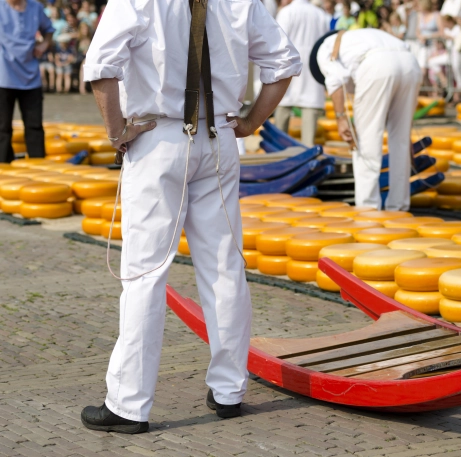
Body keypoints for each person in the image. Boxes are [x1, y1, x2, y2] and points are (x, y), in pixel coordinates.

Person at [80, 0, 301, 433]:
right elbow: (284, 63)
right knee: (223, 265)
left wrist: (115, 132)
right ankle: (229, 390)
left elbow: (100, 65)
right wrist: (253, 121)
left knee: (145, 273)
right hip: (218, 137)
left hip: (158, 135)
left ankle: (128, 404)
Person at [310, 29, 421, 210]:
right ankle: (399, 207)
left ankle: (368, 209)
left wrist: (341, 118)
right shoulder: (362, 37)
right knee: (400, 141)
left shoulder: (325, 48)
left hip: (377, 65)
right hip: (410, 63)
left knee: (366, 143)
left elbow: (335, 80)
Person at [0, 0, 54, 163]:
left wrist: (43, 45)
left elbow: (49, 30)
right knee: (2, 128)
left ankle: (39, 166)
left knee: (34, 126)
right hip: (4, 75)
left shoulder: (35, 7)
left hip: (30, 76)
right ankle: (2, 167)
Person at [275, 0, 329, 146]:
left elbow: (278, 40)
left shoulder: (286, 12)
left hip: (289, 64)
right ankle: (308, 154)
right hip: (312, 65)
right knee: (310, 108)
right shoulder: (320, 14)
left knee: (283, 106)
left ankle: (278, 151)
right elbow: (326, 42)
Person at [415, 0, 442, 78]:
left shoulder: (436, 15)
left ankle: (437, 87)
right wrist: (420, 37)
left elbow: (441, 32)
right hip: (421, 46)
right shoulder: (420, 15)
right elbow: (417, 31)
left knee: (431, 71)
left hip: (433, 46)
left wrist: (428, 36)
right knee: (422, 69)